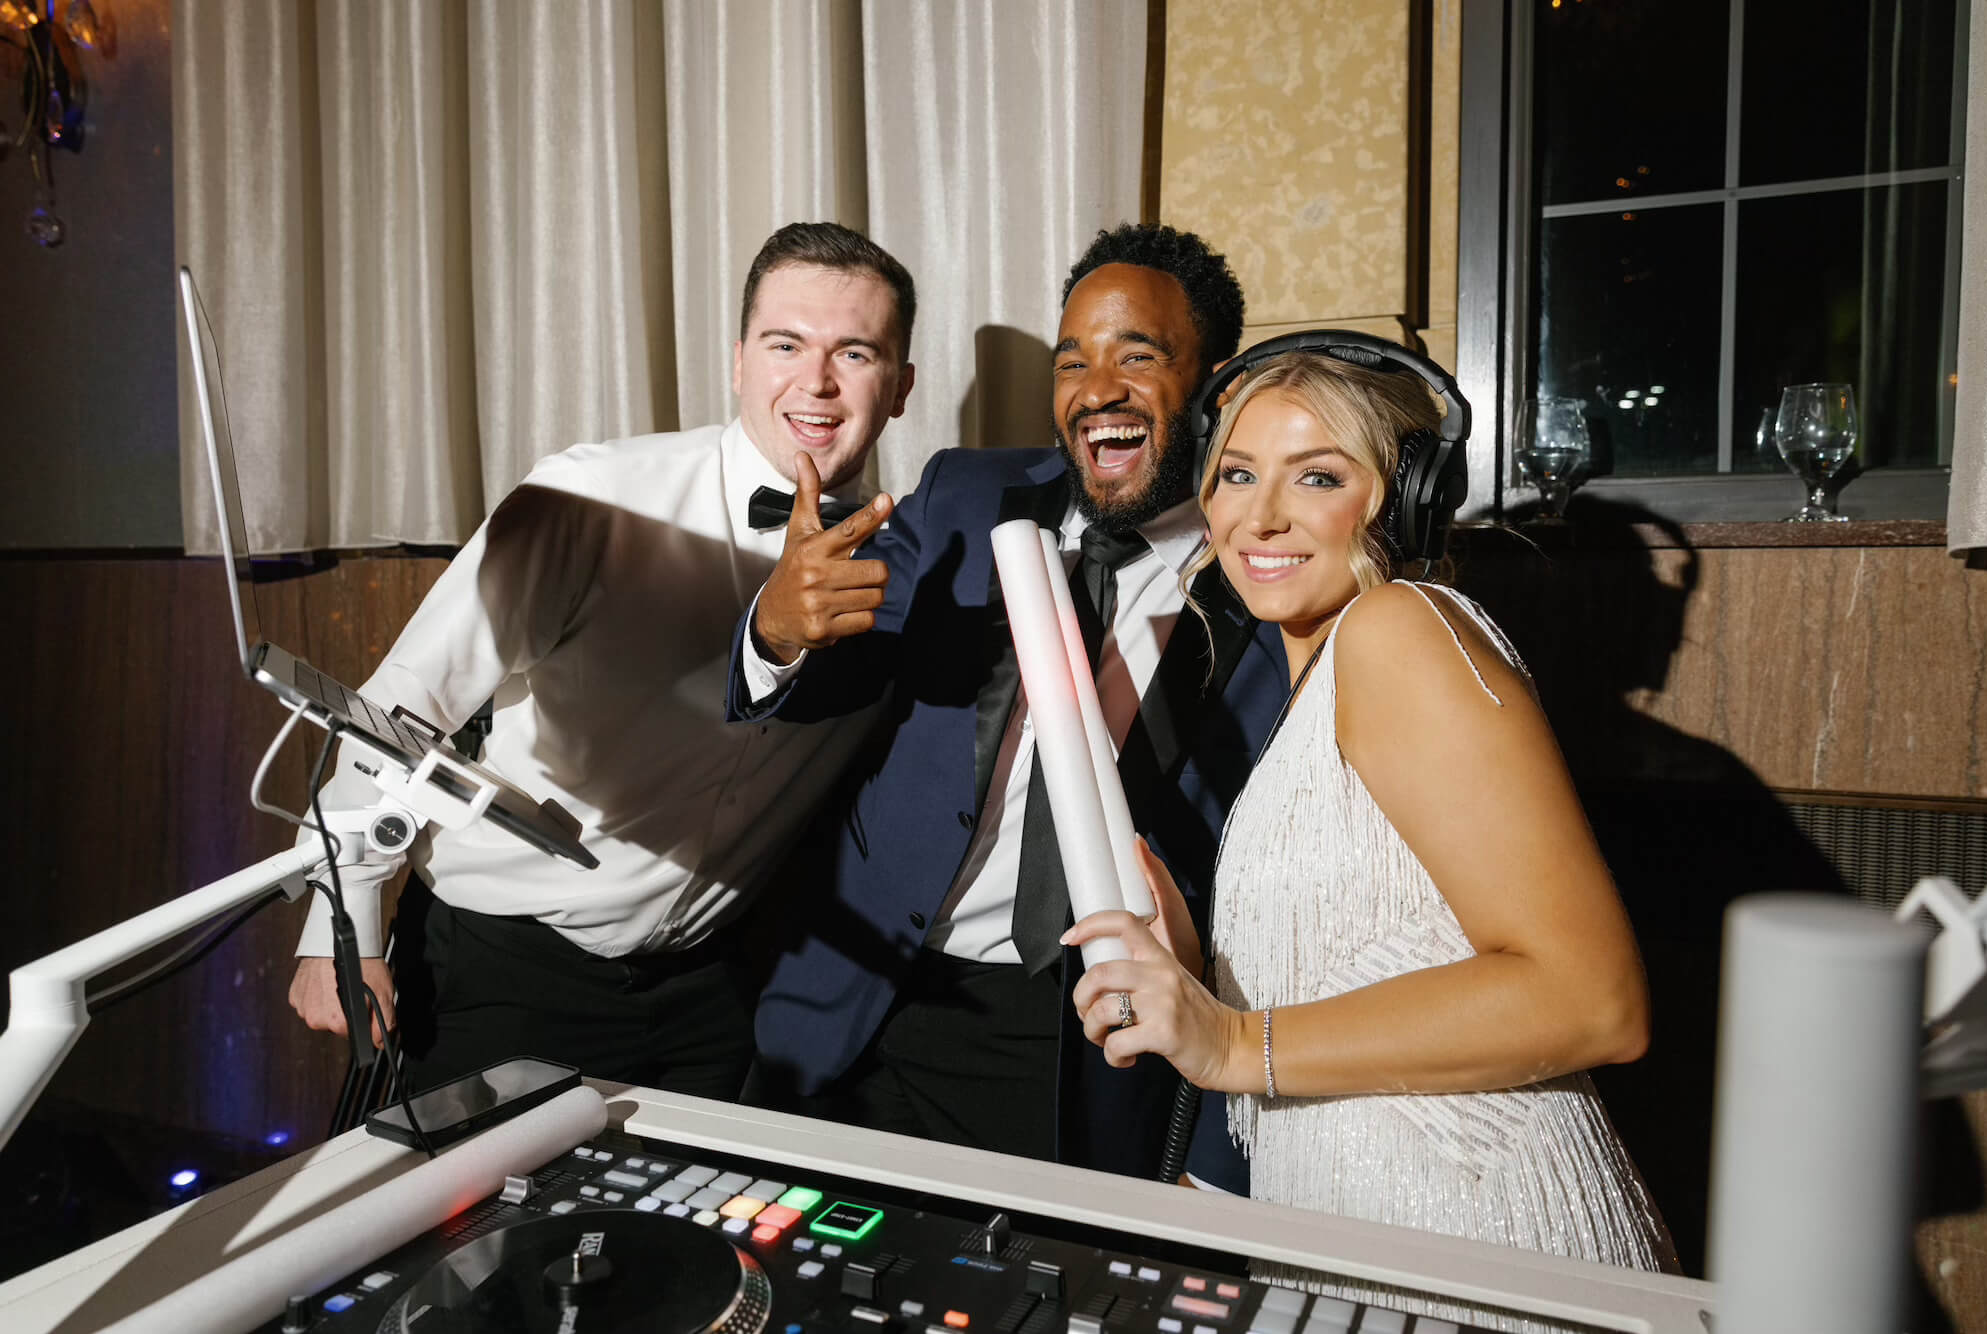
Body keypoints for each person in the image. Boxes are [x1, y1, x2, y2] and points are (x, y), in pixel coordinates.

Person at [1063, 349, 1678, 1330]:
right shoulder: (1323, 681)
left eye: (1316, 474)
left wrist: (1228, 1037)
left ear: (1403, 500)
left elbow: (1591, 999)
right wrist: (1193, 965)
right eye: (1236, 473)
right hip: (1353, 1237)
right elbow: (1374, 978)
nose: (1259, 516)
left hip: (1470, 1245)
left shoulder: (1399, 631)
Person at [287, 221, 916, 1099]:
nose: (815, 381)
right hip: (507, 964)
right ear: (739, 361)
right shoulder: (589, 499)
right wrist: (337, 924)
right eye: (786, 344)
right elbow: (405, 698)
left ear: (900, 389)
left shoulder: (918, 566)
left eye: (855, 353)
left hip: (714, 995)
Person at [727, 223, 1292, 1177]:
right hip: (865, 1005)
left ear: (1219, 384)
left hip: (1079, 1048)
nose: (1096, 390)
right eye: (1073, 362)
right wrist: (776, 632)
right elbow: (833, 679)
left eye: (1136, 356)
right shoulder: (965, 493)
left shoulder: (1270, 577)